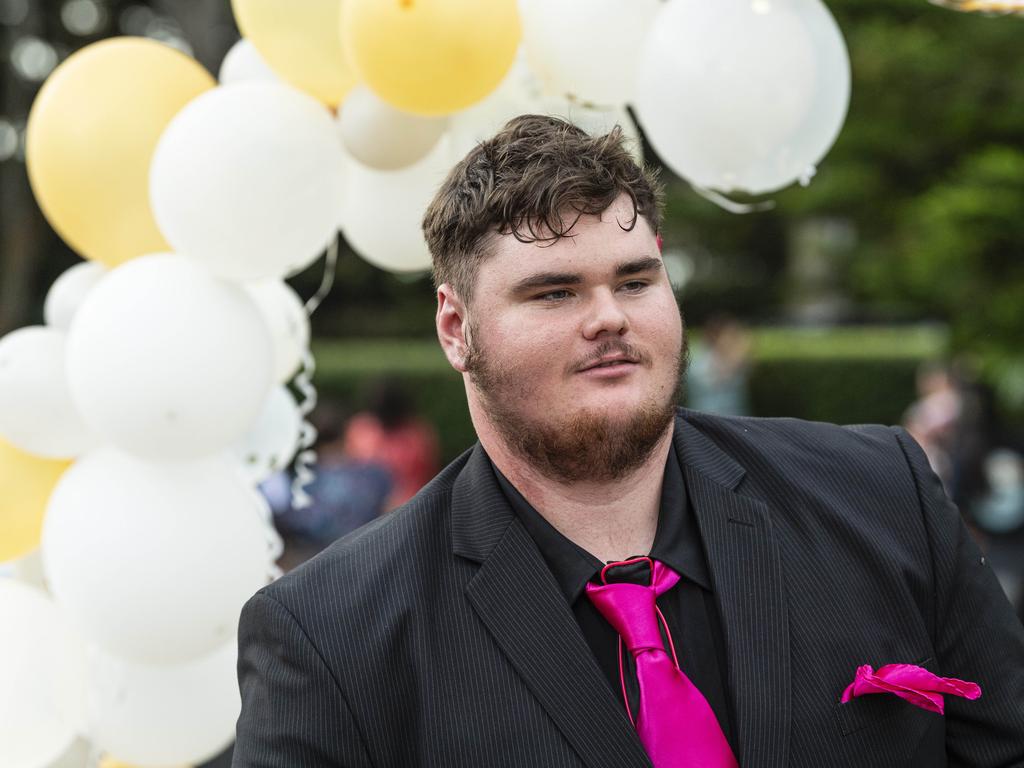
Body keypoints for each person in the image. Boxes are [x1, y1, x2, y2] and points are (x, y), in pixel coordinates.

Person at [232, 116, 1024, 767]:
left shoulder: (882, 494)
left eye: (636, 281)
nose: (609, 315)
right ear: (455, 327)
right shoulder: (330, 636)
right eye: (554, 291)